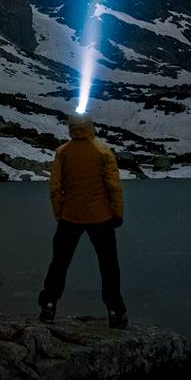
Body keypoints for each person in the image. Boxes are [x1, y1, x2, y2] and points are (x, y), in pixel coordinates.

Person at [38, 114, 128, 328]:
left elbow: (55, 187)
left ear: (71, 129)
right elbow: (114, 186)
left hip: (70, 216)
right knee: (108, 265)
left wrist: (58, 213)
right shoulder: (103, 151)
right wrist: (118, 213)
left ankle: (49, 305)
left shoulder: (63, 152)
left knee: (59, 263)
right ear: (91, 128)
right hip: (101, 217)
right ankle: (115, 311)